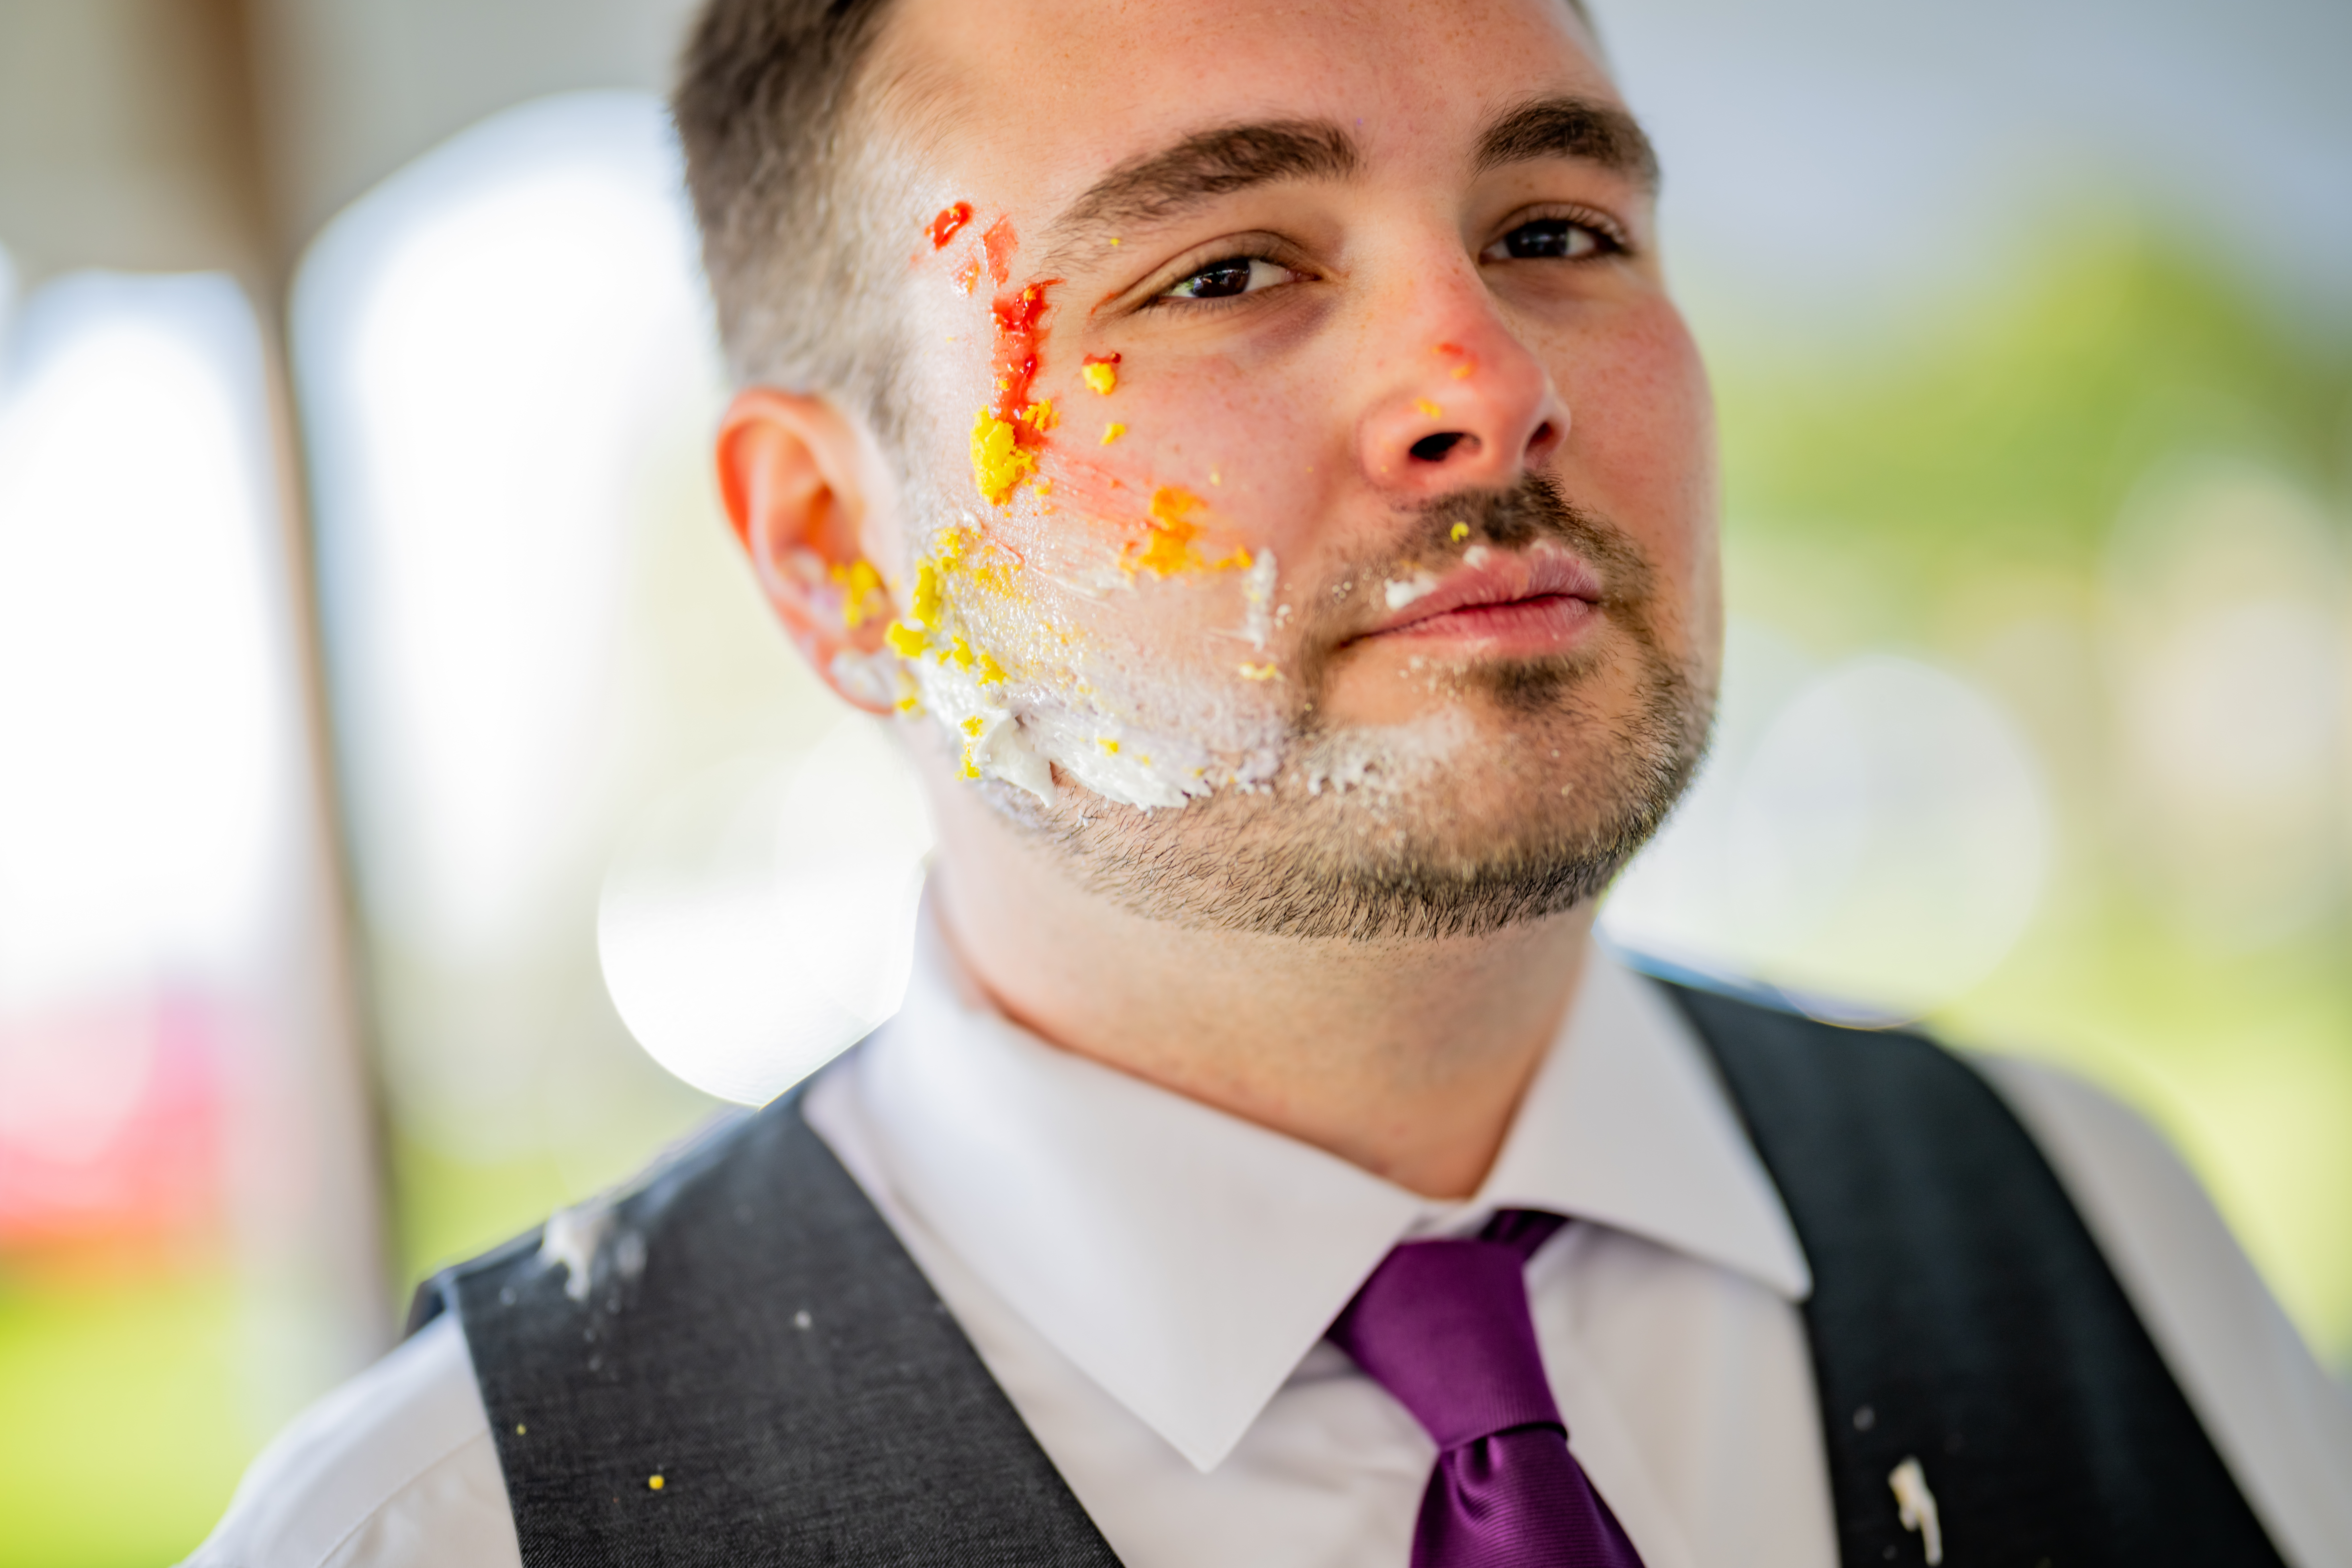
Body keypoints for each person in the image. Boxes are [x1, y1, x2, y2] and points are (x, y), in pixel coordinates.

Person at [189, 1, 2352, 1564]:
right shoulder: (446, 1528)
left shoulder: (2090, 1222)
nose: (1484, 386)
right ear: (832, 557)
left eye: (1558, 230)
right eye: (1227, 270)